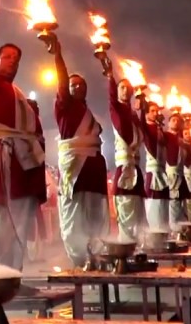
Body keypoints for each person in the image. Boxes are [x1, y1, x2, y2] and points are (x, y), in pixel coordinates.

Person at [0, 42, 45, 272]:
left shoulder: (17, 93)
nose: (14, 60)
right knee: (0, 211)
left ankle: (15, 274)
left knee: (21, 216)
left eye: (17, 58)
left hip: (21, 160)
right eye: (9, 56)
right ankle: (1, 273)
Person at [48, 35, 107, 265]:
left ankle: (99, 256)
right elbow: (62, 83)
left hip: (94, 172)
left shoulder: (87, 112)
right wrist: (58, 56)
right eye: (73, 85)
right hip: (74, 171)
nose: (77, 87)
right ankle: (79, 259)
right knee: (73, 220)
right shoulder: (64, 107)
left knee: (96, 217)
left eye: (81, 85)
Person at [105, 71, 148, 242]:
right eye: (122, 87)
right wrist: (110, 77)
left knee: (138, 215)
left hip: (136, 169)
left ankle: (138, 249)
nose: (126, 90)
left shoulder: (133, 115)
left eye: (128, 88)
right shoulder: (117, 110)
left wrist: (143, 111)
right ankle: (125, 250)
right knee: (125, 214)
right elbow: (111, 101)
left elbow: (143, 132)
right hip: (124, 170)